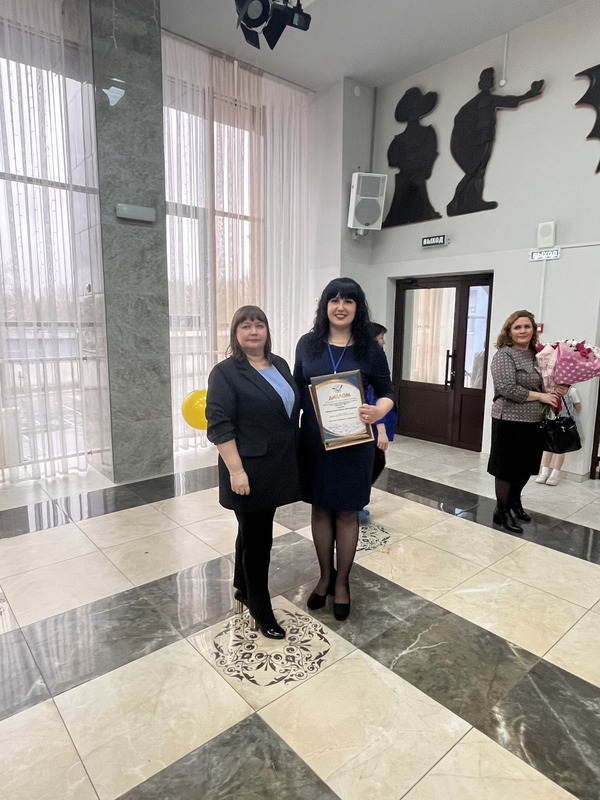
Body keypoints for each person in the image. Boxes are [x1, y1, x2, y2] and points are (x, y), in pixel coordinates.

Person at [294, 278, 395, 620]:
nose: (340, 307)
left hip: (354, 443)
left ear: (357, 307)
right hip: (316, 441)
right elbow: (297, 389)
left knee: (348, 512)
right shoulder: (308, 345)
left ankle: (341, 583)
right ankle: (324, 577)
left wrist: (379, 412)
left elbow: (388, 392)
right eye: (334, 300)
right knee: (321, 509)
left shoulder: (370, 349)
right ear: (325, 306)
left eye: (348, 301)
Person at [206, 306, 301, 639]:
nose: (253, 331)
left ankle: (242, 587)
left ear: (267, 331)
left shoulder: (280, 365)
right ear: (235, 333)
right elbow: (219, 425)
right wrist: (236, 471)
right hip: (247, 469)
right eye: (245, 326)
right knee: (259, 540)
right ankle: (261, 609)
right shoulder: (225, 373)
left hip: (277, 465)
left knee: (250, 532)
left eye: (259, 325)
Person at [487, 309, 567, 533]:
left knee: (526, 467)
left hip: (535, 420)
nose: (522, 331)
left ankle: (514, 502)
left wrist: (559, 388)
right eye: (517, 327)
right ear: (509, 331)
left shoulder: (539, 354)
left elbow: (548, 382)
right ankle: (501, 511)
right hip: (509, 420)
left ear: (533, 330)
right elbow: (506, 388)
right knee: (506, 468)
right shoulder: (504, 355)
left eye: (527, 326)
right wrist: (540, 396)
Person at [359, 322, 398, 524]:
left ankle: (359, 503)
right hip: (373, 428)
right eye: (381, 338)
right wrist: (381, 432)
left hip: (378, 426)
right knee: (374, 464)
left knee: (374, 464)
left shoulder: (376, 359)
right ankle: (358, 504)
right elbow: (373, 400)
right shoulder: (368, 361)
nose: (383, 342)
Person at [536, 386, 582, 485]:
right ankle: (545, 473)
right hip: (551, 422)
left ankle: (554, 474)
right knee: (548, 447)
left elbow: (578, 408)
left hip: (562, 424)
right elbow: (578, 408)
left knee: (559, 448)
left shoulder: (570, 391)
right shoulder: (553, 389)